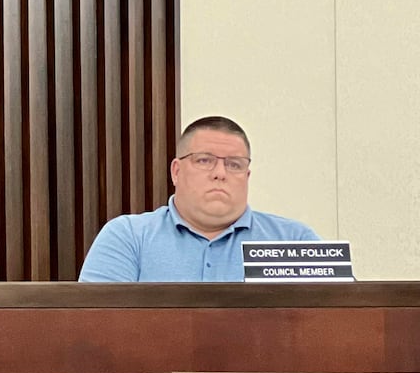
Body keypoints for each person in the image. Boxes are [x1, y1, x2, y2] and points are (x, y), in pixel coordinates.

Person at [79, 115, 319, 282]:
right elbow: (95, 330)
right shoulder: (128, 237)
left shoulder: (293, 240)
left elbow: (329, 327)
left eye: (234, 164)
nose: (220, 173)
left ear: (247, 176)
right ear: (176, 171)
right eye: (204, 160)